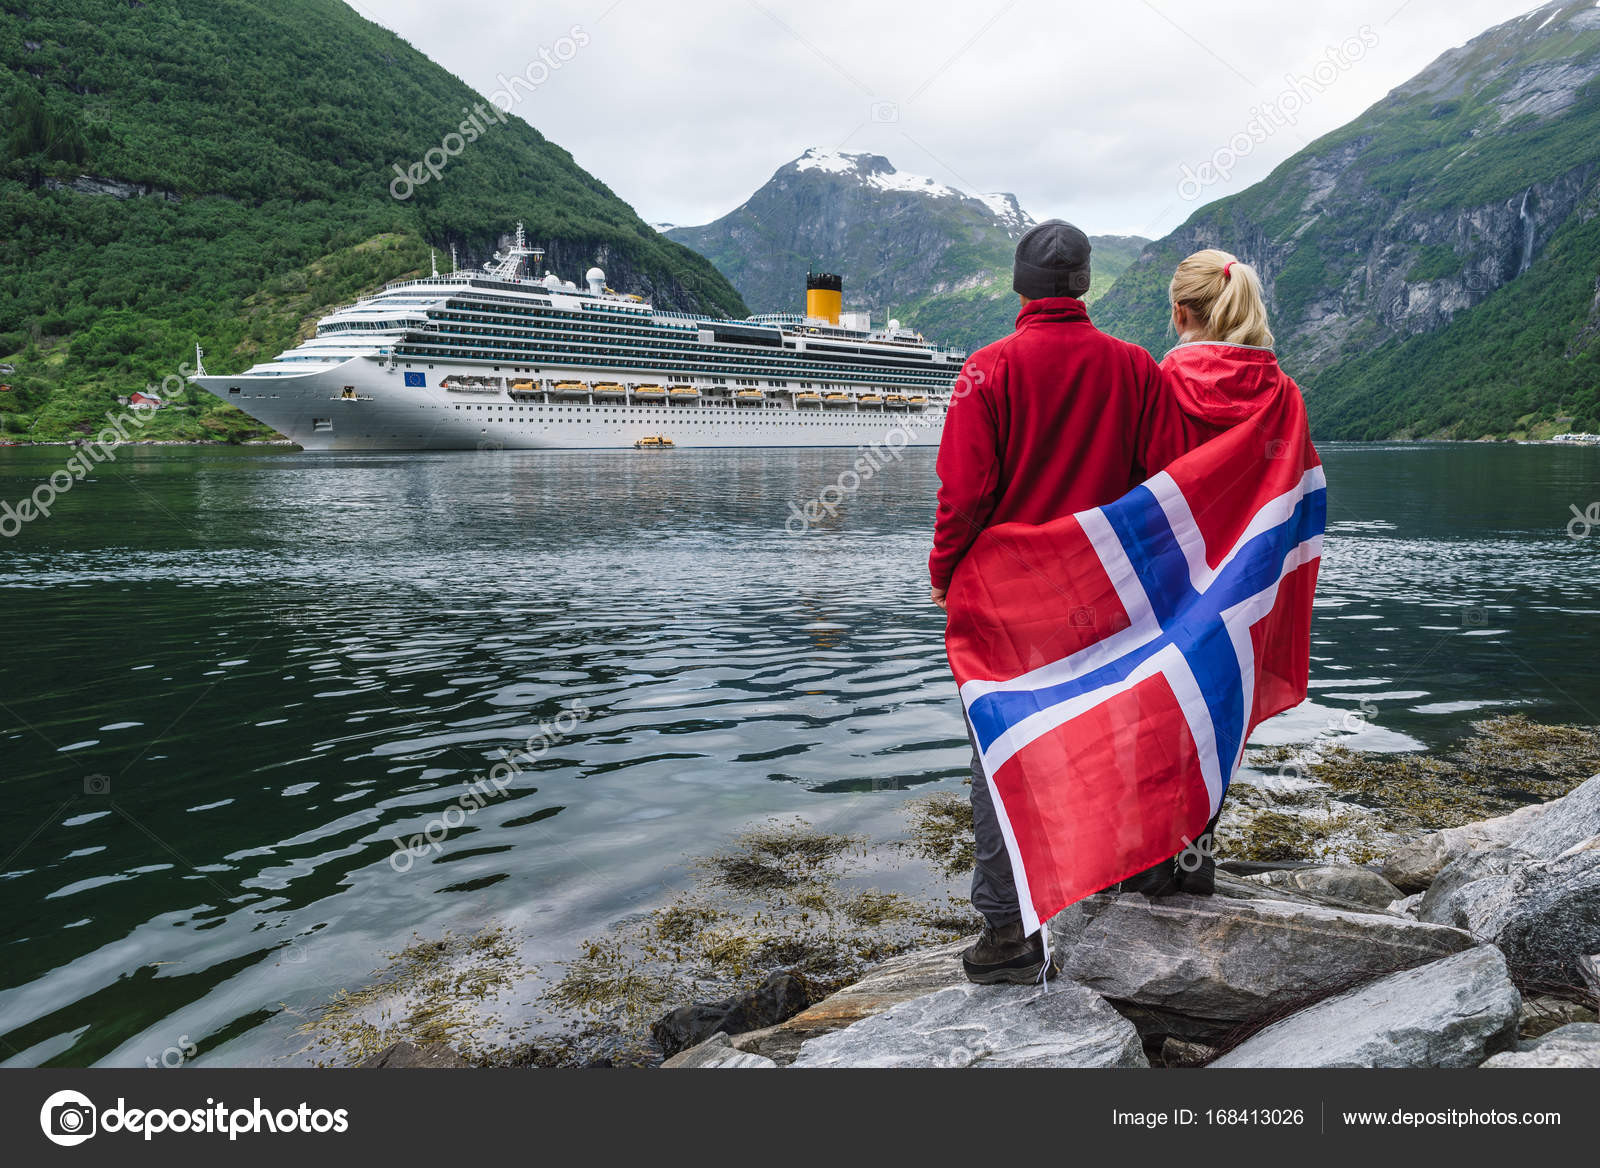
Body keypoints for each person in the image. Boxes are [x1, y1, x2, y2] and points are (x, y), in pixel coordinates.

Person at [929, 219, 1197, 984]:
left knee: (1001, 749)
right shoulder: (1136, 369)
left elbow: (964, 492)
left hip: (1008, 601)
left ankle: (1006, 934)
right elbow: (1165, 481)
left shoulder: (987, 369)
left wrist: (946, 571)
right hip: (1106, 591)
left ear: (1019, 285)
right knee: (1117, 732)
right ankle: (1119, 881)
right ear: (1085, 285)